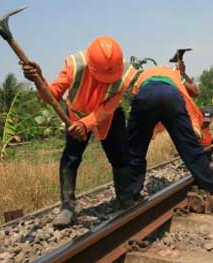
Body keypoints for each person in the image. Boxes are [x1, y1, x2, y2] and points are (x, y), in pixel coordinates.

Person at [21, 36, 136, 227]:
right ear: (91, 66)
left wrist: (88, 123)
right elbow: (52, 94)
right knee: (71, 157)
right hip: (75, 116)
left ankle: (125, 199)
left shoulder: (123, 74)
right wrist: (38, 79)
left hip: (108, 115)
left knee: (120, 155)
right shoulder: (75, 66)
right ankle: (67, 207)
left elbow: (108, 107)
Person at [127, 61, 213, 199]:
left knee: (135, 149)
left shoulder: (143, 75)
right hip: (171, 97)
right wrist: (193, 126)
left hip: (146, 94)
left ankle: (130, 195)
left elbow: (137, 98)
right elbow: (192, 94)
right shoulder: (174, 75)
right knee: (189, 146)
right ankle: (212, 186)